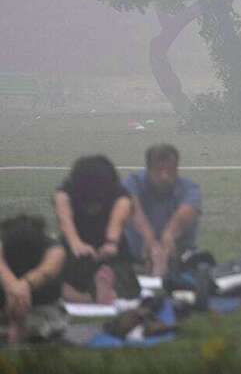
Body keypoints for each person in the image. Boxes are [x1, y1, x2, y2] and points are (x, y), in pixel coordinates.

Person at [54, 155, 140, 304]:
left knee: (113, 274)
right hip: (78, 254)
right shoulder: (65, 192)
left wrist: (110, 243)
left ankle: (88, 294)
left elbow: (119, 217)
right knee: (57, 279)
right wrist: (76, 244)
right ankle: (95, 294)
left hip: (107, 255)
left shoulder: (119, 194)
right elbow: (64, 217)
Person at [124, 144, 202, 277]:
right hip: (135, 261)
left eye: (170, 170)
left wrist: (169, 236)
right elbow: (133, 211)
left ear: (177, 169)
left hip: (180, 261)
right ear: (148, 170)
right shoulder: (132, 183)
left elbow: (186, 213)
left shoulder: (190, 189)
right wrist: (150, 241)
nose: (165, 176)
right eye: (159, 170)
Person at [0, 215, 67, 344]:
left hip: (43, 307)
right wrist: (15, 291)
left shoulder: (53, 248)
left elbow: (47, 269)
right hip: (4, 307)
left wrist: (25, 285)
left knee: (41, 328)